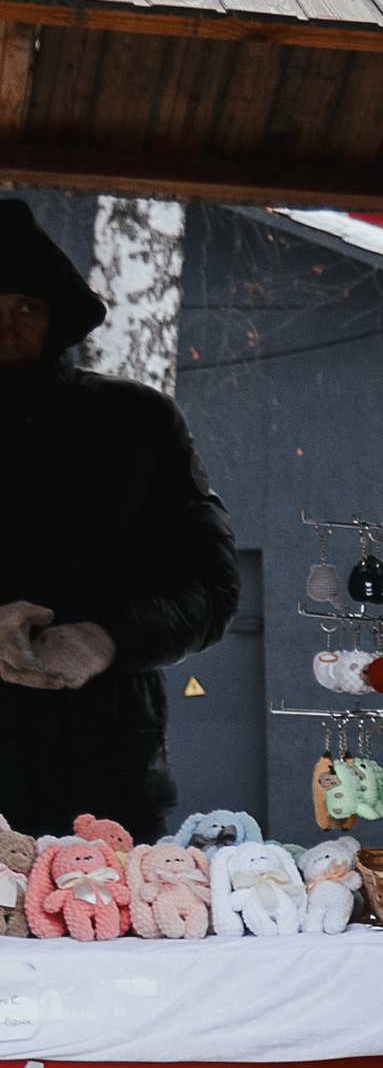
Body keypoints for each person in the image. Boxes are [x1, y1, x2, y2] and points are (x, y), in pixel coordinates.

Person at [0, 198, 239, 839]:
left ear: (56, 314)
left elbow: (210, 590)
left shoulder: (137, 424)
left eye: (28, 306)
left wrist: (105, 639)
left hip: (107, 786)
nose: (9, 330)